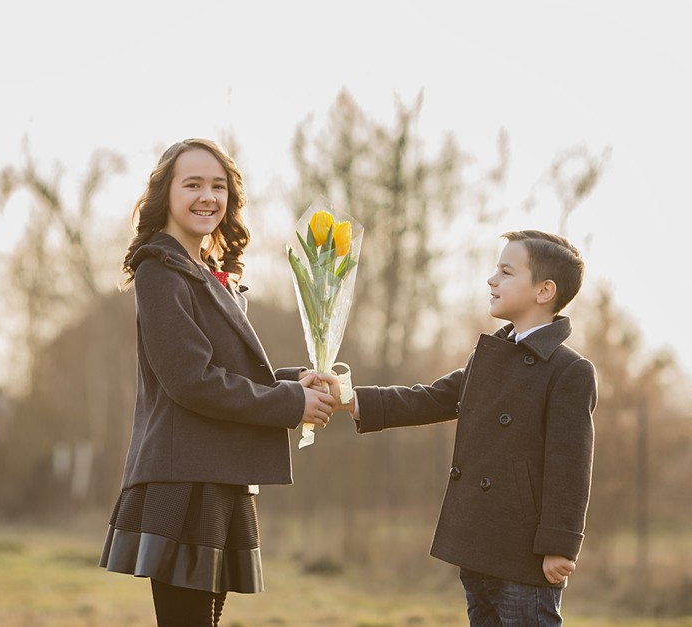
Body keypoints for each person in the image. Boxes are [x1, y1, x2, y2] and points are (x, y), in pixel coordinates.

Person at [99, 138, 338, 627]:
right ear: (165, 194)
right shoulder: (159, 270)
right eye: (193, 185)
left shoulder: (207, 273)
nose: (208, 196)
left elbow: (232, 375)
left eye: (218, 186)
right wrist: (291, 404)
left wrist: (299, 380)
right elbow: (193, 381)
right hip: (182, 479)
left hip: (219, 476)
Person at [342, 230, 598, 627]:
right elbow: (430, 398)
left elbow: (571, 466)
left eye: (506, 271)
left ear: (544, 291)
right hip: (478, 540)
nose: (492, 280)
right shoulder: (489, 355)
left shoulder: (570, 371)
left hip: (524, 550)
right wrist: (350, 398)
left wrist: (560, 545)